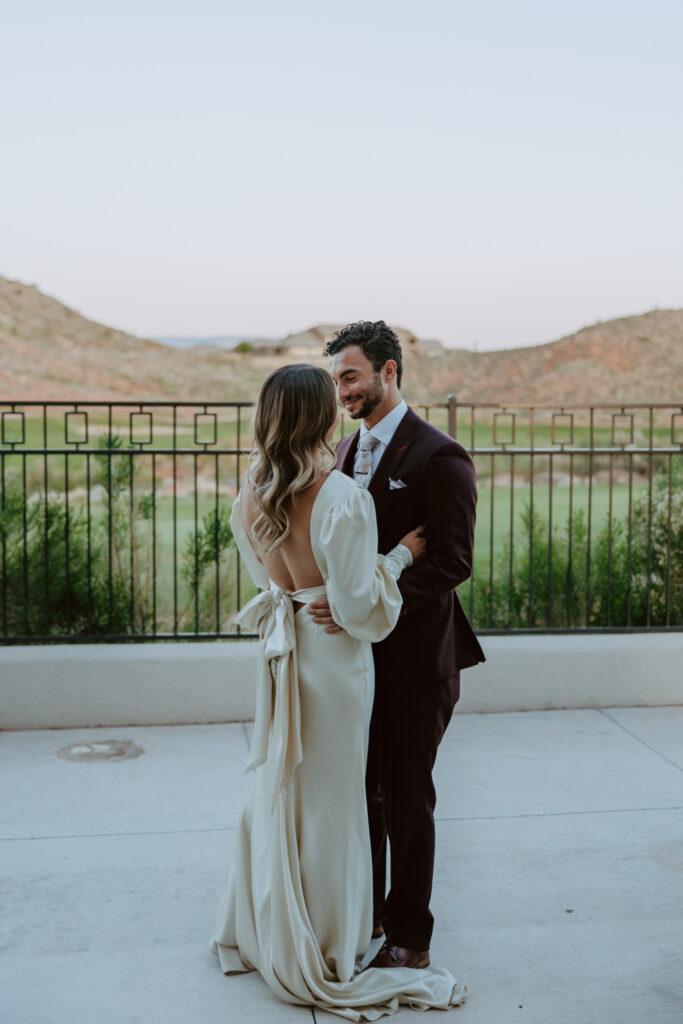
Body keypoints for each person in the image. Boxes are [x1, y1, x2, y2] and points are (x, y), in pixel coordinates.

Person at [210, 364, 467, 1020]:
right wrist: (402, 555)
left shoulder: (250, 494)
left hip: (283, 653)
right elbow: (362, 609)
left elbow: (279, 586)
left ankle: (280, 919)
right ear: (323, 419)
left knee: (289, 790)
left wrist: (313, 597)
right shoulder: (341, 498)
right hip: (333, 664)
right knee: (337, 803)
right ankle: (333, 938)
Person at [309, 321, 485, 970]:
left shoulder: (438, 457)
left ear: (388, 371)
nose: (341, 391)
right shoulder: (342, 453)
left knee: (406, 799)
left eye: (350, 376)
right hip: (356, 663)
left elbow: (451, 563)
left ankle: (410, 938)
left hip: (417, 662)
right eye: (334, 381)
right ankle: (366, 915)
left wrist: (364, 603)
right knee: (362, 792)